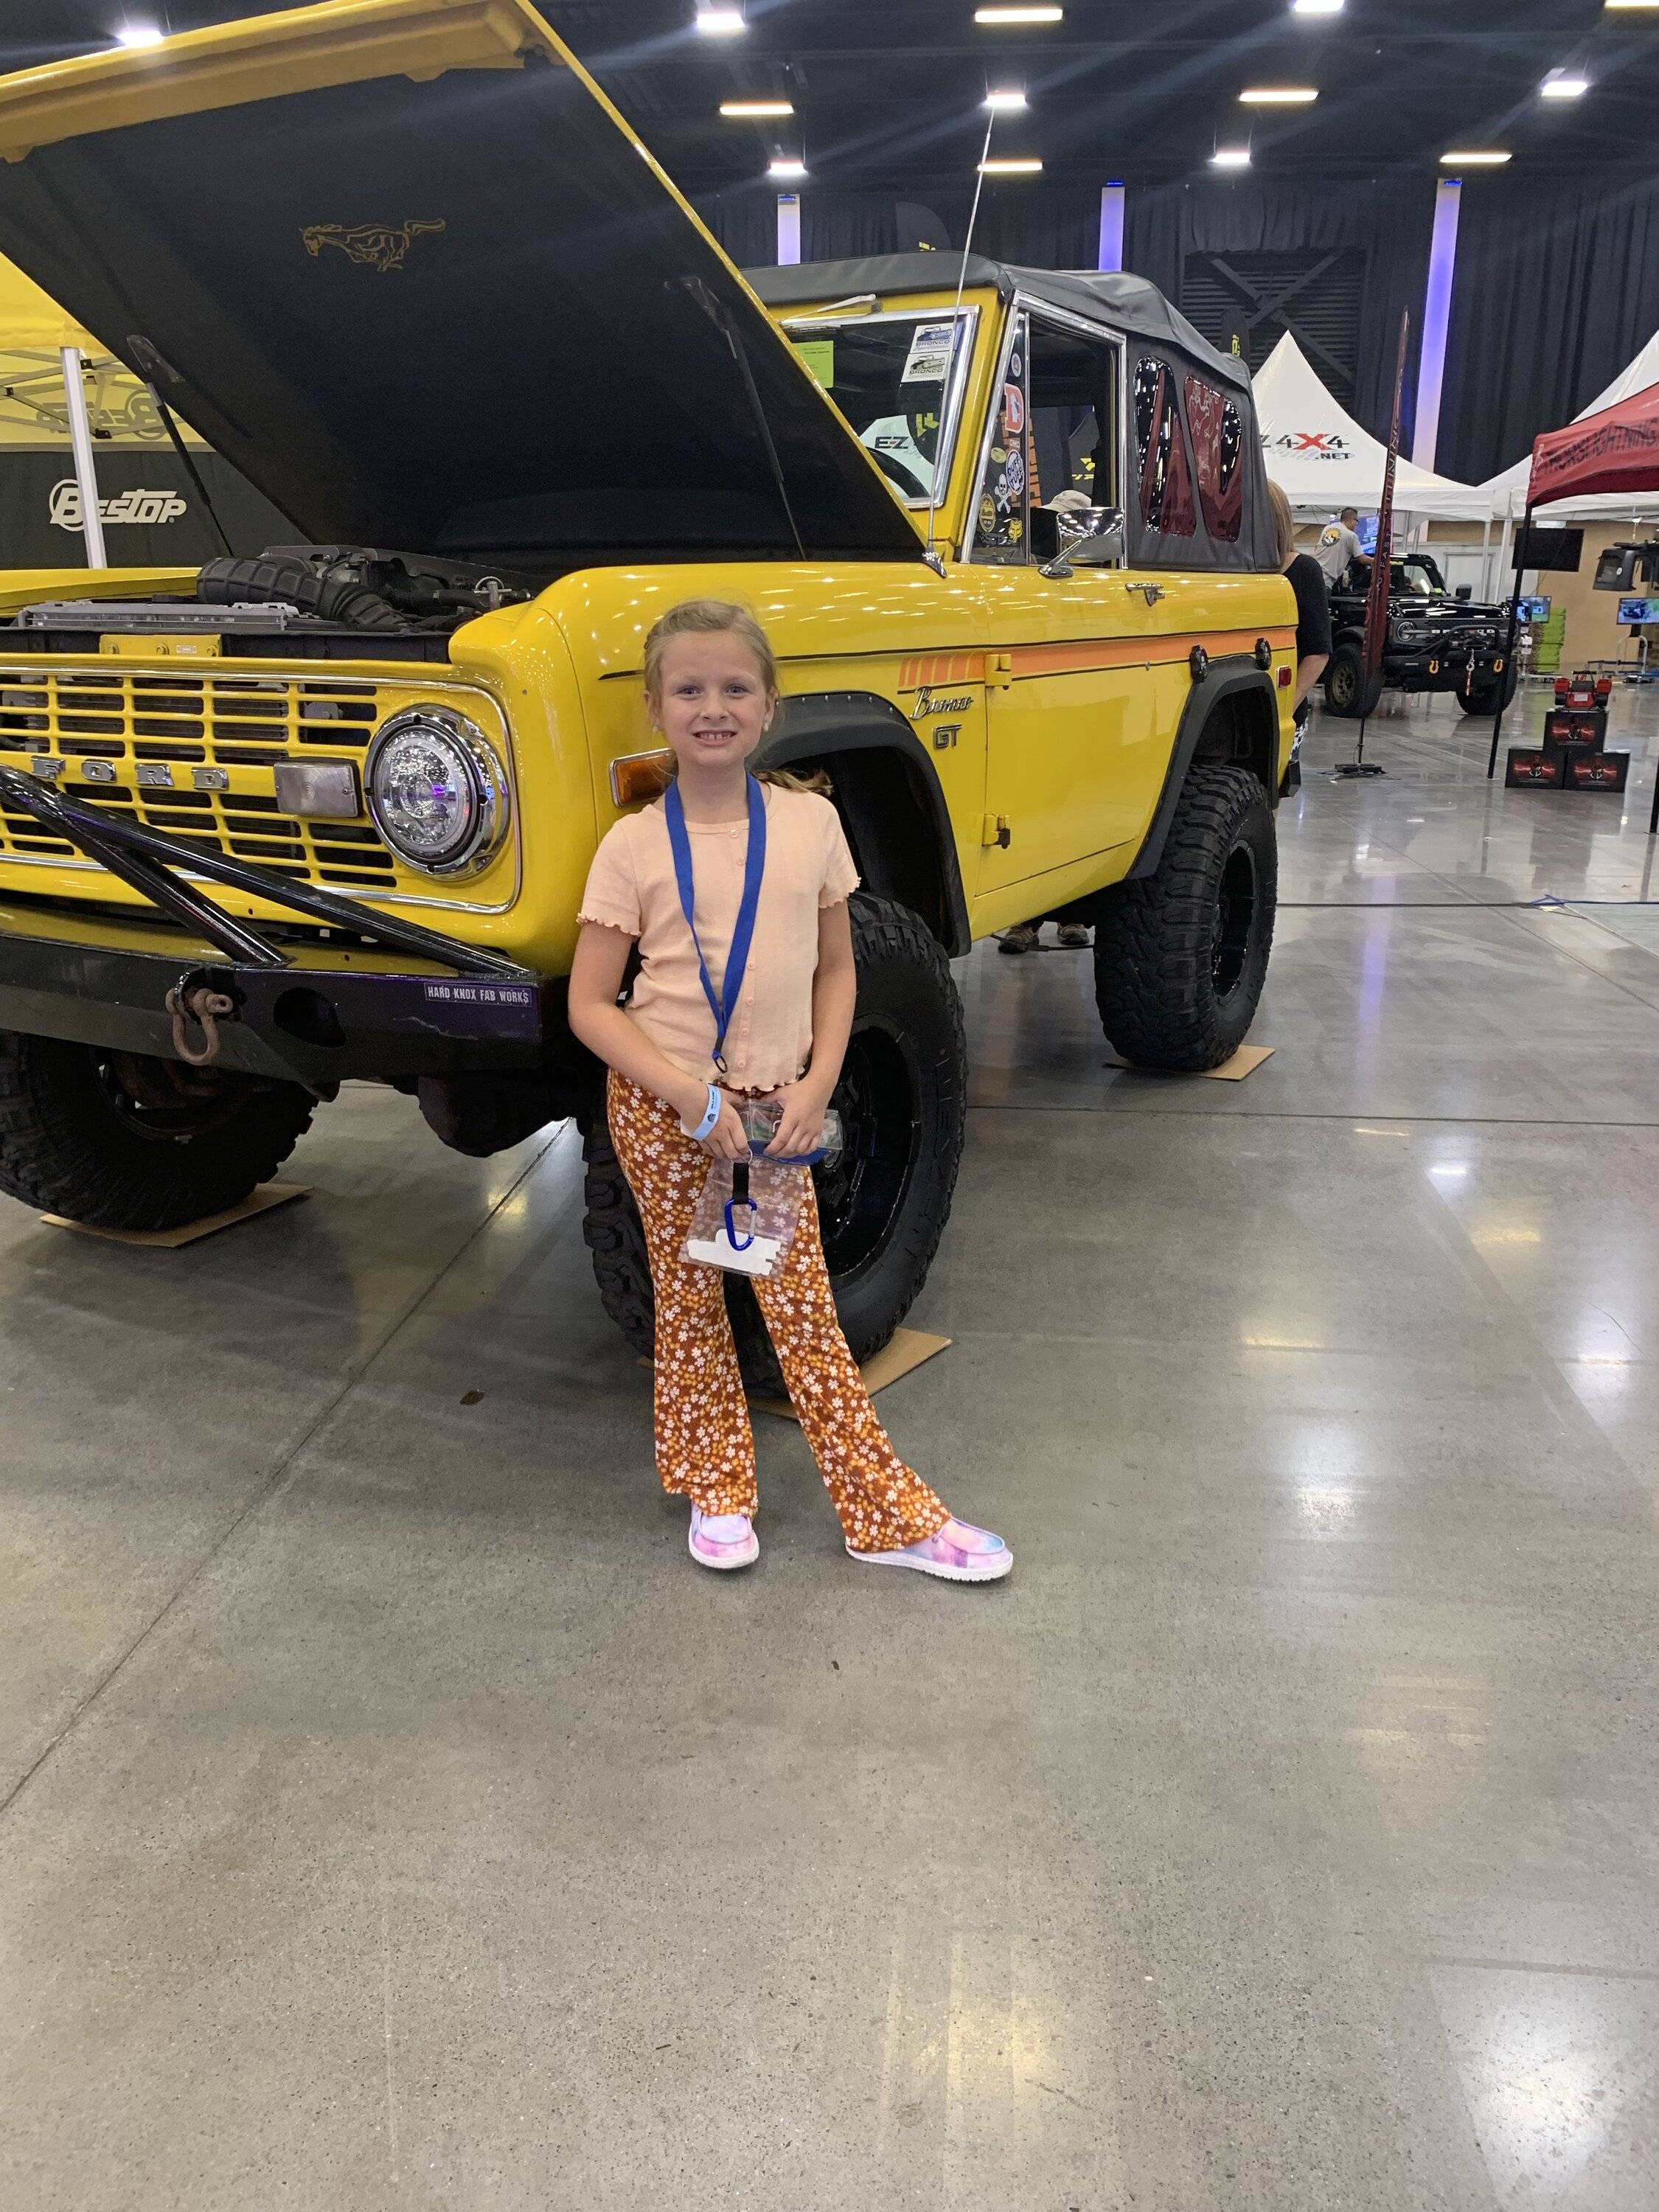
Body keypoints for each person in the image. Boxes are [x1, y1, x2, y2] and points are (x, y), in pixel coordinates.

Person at [568, 598, 1011, 1583]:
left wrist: (816, 1083)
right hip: (664, 1110)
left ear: (768, 707)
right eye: (688, 689)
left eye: (734, 688)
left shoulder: (810, 826)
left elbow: (837, 969)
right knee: (685, 1302)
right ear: (655, 708)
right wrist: (691, 1100)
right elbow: (593, 1008)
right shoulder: (632, 847)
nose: (712, 707)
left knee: (800, 1315)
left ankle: (881, 1513)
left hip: (770, 1115)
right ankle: (716, 1486)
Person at [1267, 480, 1332, 787]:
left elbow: (1318, 652)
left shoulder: (1304, 570)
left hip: (1282, 706)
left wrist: (1282, 713)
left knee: (1267, 797)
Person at [1315, 505, 1368, 588]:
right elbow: (1362, 559)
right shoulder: (1351, 535)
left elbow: (1316, 547)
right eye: (1356, 521)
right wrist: (1379, 561)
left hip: (1314, 572)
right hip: (1326, 580)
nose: (1355, 525)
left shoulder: (1328, 528)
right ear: (1352, 520)